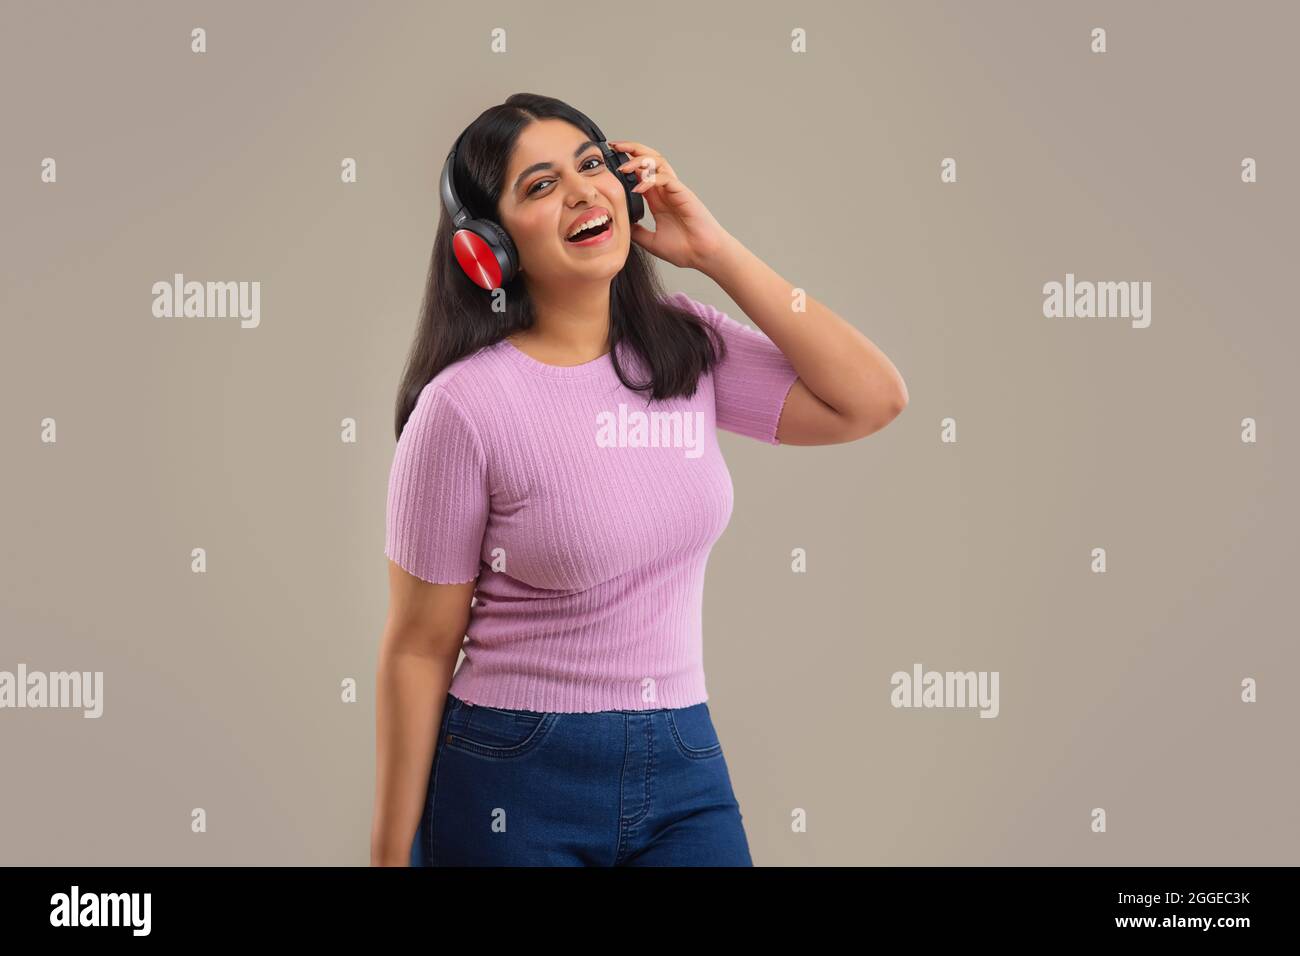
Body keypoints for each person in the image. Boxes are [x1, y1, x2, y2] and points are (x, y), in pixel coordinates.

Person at [371, 93, 908, 866]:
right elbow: (419, 647)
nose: (585, 192)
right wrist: (391, 857)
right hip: (514, 772)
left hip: (684, 760)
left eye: (593, 166)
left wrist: (714, 250)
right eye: (541, 185)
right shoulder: (462, 409)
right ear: (488, 247)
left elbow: (872, 399)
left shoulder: (683, 351)